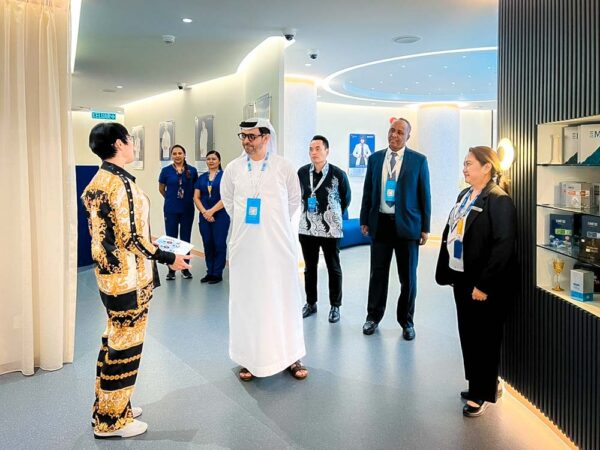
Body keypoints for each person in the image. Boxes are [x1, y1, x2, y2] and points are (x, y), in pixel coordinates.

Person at [82, 123, 192, 439]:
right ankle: (111, 421)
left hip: (108, 276)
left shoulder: (97, 182)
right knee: (125, 347)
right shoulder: (121, 185)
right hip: (128, 277)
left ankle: (109, 406)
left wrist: (152, 240)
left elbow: (115, 234)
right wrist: (171, 257)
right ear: (119, 144)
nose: (134, 145)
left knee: (113, 341)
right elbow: (130, 238)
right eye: (131, 140)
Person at [221, 118, 308, 381]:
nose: (246, 141)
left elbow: (294, 201)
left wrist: (273, 225)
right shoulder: (234, 168)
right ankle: (250, 359)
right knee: (249, 302)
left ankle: (291, 356)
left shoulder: (284, 167)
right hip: (245, 248)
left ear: (266, 137)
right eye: (243, 136)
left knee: (283, 299)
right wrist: (250, 231)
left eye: (252, 136)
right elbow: (228, 202)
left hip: (277, 247)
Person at [435, 146, 516, 417]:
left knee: (485, 339)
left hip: (483, 284)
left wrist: (484, 285)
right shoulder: (465, 195)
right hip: (462, 277)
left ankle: (482, 393)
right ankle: (476, 384)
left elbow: (503, 246)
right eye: (464, 164)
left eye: (469, 164)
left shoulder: (498, 199)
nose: (464, 168)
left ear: (487, 168)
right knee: (468, 336)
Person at [360, 118, 431, 339]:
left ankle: (406, 321)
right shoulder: (374, 159)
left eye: (400, 132)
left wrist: (425, 227)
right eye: (392, 130)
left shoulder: (418, 161)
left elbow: (424, 195)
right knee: (377, 275)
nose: (394, 135)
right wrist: (364, 219)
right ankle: (372, 317)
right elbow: (368, 192)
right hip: (380, 225)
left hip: (407, 228)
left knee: (408, 278)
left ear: (408, 136)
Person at [298, 135, 351, 323]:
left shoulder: (338, 173)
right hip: (307, 228)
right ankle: (311, 303)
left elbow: (346, 199)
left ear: (327, 151)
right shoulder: (302, 173)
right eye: (311, 149)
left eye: (318, 148)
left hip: (331, 229)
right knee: (309, 267)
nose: (314, 152)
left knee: (333, 267)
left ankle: (335, 306)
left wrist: (332, 214)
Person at [158, 144, 198, 280]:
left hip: (187, 209)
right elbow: (161, 189)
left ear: (184, 154)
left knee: (185, 239)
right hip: (171, 209)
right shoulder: (166, 171)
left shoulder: (192, 171)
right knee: (171, 239)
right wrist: (171, 199)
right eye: (174, 154)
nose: (177, 156)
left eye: (180, 153)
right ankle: (171, 269)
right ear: (171, 156)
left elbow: (195, 190)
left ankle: (185, 268)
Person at [193, 150, 230, 284]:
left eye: (214, 159)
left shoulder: (225, 177)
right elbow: (196, 197)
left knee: (219, 244)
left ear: (219, 161)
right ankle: (210, 271)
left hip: (220, 215)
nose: (211, 161)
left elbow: (227, 197)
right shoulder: (201, 178)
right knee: (208, 244)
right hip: (204, 216)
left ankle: (217, 273)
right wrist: (205, 212)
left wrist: (212, 211)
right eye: (208, 159)